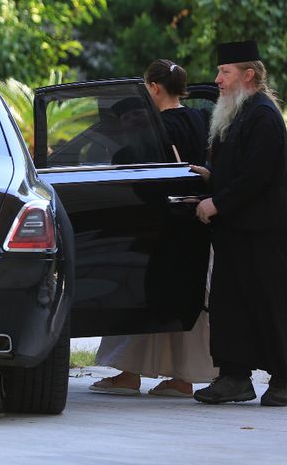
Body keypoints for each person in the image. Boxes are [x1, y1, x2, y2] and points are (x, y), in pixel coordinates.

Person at [192, 40, 287, 406]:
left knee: (274, 306)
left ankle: (281, 381)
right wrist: (212, 178)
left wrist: (217, 203)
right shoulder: (238, 111)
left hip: (270, 231)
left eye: (224, 72)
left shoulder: (263, 115)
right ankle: (235, 378)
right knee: (232, 305)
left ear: (248, 75)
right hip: (239, 229)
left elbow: (257, 176)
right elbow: (239, 169)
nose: (218, 80)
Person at [91, 59, 217, 398]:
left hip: (161, 225)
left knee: (140, 295)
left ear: (155, 88)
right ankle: (181, 378)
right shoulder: (201, 117)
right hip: (196, 224)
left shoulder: (158, 125)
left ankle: (130, 373)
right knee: (186, 301)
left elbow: (130, 164)